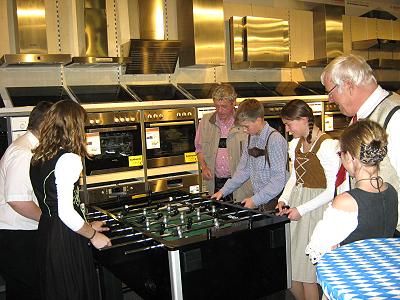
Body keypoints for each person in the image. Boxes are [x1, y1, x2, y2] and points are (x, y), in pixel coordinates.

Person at [30, 100, 112, 300]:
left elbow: (54, 202)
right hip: (64, 237)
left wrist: (86, 224)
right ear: (74, 126)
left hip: (47, 231)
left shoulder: (39, 156)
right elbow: (65, 212)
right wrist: (93, 235)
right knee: (74, 292)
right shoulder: (69, 159)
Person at [321, 54, 400, 233]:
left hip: (390, 235)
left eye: (330, 92)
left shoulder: (395, 117)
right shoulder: (359, 117)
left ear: (348, 85)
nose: (330, 100)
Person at [306, 120, 398, 265]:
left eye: (340, 153)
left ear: (349, 157)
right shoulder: (391, 191)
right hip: (384, 270)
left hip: (356, 273)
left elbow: (317, 249)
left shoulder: (346, 202)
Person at [276, 100, 340, 300]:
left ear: (303, 120)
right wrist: (283, 199)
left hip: (315, 210)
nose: (287, 129)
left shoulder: (327, 145)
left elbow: (331, 191)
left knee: (307, 273)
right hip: (297, 203)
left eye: (289, 124)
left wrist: (301, 210)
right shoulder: (295, 144)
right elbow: (294, 177)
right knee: (292, 268)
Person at [0, 101, 52, 300]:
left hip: (19, 233)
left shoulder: (26, 148)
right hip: (17, 236)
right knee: (29, 291)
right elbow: (18, 201)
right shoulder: (23, 153)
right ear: (46, 125)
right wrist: (50, 222)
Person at [212, 98, 288, 209]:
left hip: (277, 202)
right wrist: (223, 191)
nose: (244, 130)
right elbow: (243, 170)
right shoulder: (250, 138)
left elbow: (278, 180)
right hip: (261, 200)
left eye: (246, 126)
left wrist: (255, 200)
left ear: (258, 120)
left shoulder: (274, 139)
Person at [195, 83, 252, 202]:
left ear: (233, 103)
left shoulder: (244, 122)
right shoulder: (206, 121)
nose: (220, 111)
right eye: (217, 106)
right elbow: (199, 148)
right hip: (215, 183)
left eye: (224, 106)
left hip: (240, 185)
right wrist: (204, 167)